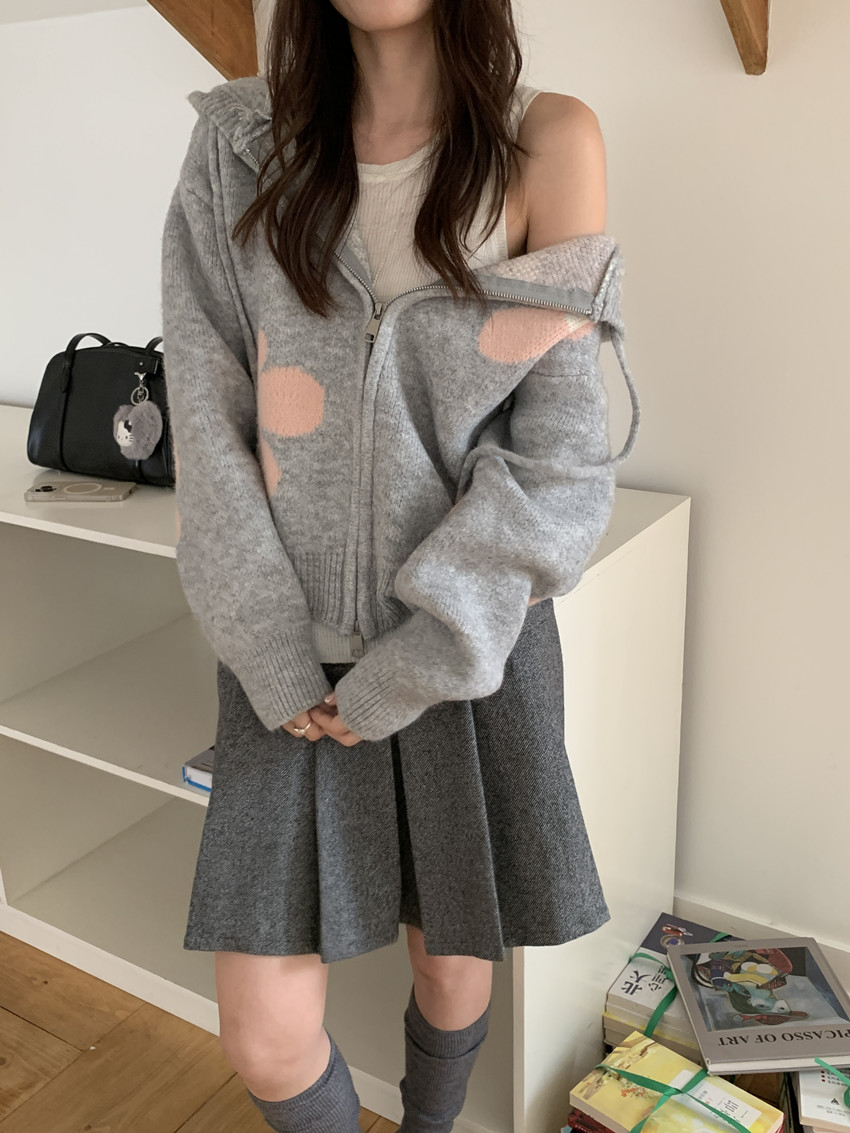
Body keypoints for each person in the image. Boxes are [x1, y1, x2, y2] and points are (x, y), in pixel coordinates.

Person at [160, 0, 641, 1130]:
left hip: (464, 644)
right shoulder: (238, 145)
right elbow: (206, 410)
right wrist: (272, 650)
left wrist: (422, 658)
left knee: (450, 961)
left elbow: (560, 456)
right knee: (264, 1031)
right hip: (286, 655)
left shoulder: (547, 141)